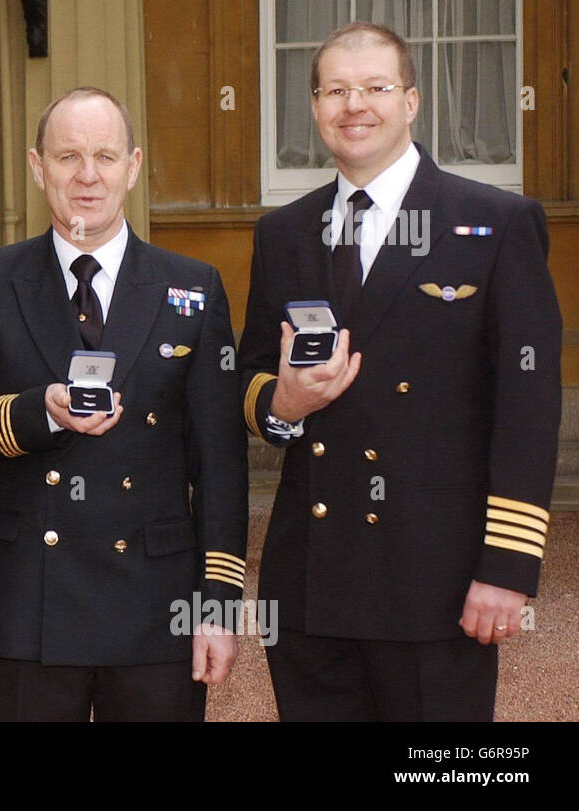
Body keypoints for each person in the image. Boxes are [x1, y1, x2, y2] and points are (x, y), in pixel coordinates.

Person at [238, 22, 561, 721]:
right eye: (335, 90)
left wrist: (506, 569)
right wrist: (283, 404)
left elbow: (528, 406)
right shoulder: (283, 232)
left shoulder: (494, 222)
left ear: (412, 101)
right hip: (310, 582)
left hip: (435, 582)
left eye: (376, 88)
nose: (355, 105)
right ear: (316, 107)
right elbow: (254, 375)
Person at [0, 87, 247, 721]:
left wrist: (217, 609)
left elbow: (221, 466)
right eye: (69, 156)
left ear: (133, 165)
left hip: (156, 607)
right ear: (39, 168)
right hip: (25, 604)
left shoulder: (193, 287)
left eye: (105, 155)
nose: (88, 175)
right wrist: (37, 412)